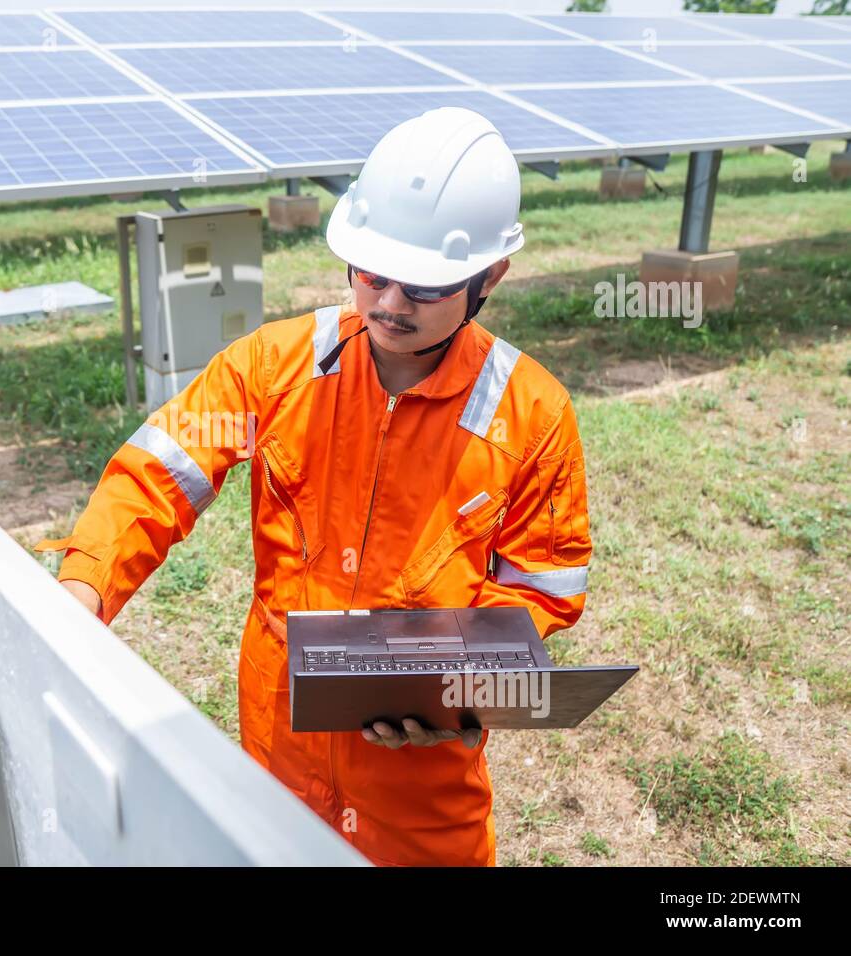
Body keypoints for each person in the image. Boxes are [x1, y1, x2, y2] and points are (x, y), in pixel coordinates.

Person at [37, 107, 591, 866]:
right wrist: (84, 588)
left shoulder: (530, 413)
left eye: (424, 287)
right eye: (372, 275)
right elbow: (158, 476)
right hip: (277, 750)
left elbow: (543, 587)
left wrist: (456, 690)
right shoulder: (275, 369)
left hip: (421, 792)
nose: (390, 304)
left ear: (488, 277)